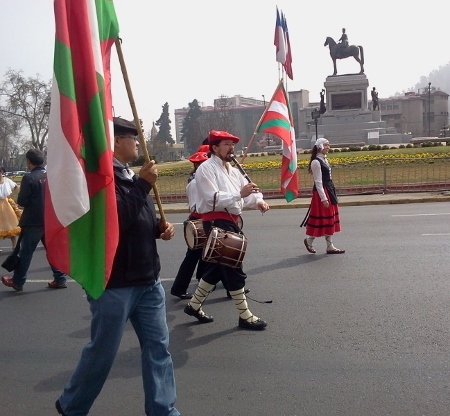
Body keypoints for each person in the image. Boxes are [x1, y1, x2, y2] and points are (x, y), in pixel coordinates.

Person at [55, 117, 180, 416]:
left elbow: (136, 219)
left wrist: (158, 227)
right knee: (103, 352)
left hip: (148, 279)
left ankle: (163, 409)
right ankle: (72, 406)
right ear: (116, 141)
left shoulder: (130, 175)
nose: (138, 143)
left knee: (158, 348)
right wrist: (143, 185)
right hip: (114, 284)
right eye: (132, 138)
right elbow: (114, 222)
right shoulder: (100, 177)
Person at [184, 130, 270, 331]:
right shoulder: (205, 169)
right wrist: (239, 193)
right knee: (233, 266)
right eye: (226, 144)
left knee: (216, 269)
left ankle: (194, 306)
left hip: (231, 221)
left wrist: (258, 201)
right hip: (216, 221)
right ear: (215, 148)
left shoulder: (233, 169)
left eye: (232, 144)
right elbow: (211, 198)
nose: (232, 148)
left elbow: (246, 195)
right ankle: (245, 315)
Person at [1, 149, 68, 291]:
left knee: (25, 253)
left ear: (29, 162)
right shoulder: (50, 176)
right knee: (51, 250)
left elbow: (22, 201)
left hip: (33, 220)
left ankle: (18, 281)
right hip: (49, 219)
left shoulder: (29, 178)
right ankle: (60, 278)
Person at [170, 145, 210, 299]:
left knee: (206, 254)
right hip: (198, 220)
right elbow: (196, 206)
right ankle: (179, 288)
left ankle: (204, 280)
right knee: (193, 256)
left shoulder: (201, 180)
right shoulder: (194, 183)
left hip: (203, 219)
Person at [301, 138, 345, 254]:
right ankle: (314, 241)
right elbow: (318, 181)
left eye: (328, 145)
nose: (328, 147)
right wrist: (324, 198)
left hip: (329, 189)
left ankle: (322, 243)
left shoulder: (324, 160)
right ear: (320, 147)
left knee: (329, 218)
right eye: (326, 145)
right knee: (324, 217)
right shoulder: (316, 162)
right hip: (323, 192)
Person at [0, 167, 21, 250]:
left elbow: (16, 186)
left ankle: (14, 246)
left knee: (11, 224)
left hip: (6, 205)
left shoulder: (7, 180)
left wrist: (11, 196)